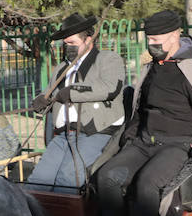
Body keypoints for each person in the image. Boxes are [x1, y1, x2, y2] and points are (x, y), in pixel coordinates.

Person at [92, 9, 192, 216]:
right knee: (106, 176)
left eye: (155, 39)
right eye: (148, 39)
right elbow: (139, 110)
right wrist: (130, 138)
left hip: (178, 145)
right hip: (144, 142)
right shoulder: (151, 69)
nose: (150, 43)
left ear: (174, 36)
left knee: (147, 184)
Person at [33, 13, 125, 144]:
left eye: (72, 43)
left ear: (88, 40)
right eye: (65, 44)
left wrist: (72, 92)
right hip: (60, 136)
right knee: (43, 166)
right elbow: (49, 93)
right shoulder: (61, 68)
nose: (67, 47)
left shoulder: (107, 59)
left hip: (93, 133)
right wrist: (40, 101)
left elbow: (109, 88)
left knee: (69, 166)